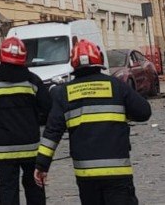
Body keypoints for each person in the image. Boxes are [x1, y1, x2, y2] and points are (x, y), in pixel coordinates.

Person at [35, 39, 151, 205]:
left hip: (86, 174)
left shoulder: (64, 93)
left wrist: (42, 165)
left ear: (74, 64)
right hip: (117, 170)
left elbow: (52, 133)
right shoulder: (117, 86)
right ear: (99, 60)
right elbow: (144, 112)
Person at [0, 37, 52, 205]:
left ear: (1, 55)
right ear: (23, 57)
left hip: (3, 148)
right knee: (35, 188)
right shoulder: (32, 81)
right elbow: (49, 108)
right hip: (31, 147)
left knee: (8, 191)